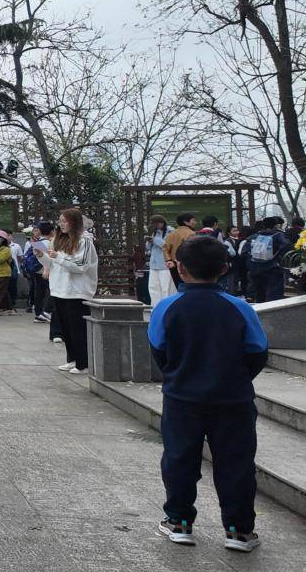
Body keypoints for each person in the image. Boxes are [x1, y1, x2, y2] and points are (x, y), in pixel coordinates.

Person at [149, 235, 267, 553]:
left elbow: (159, 350)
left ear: (180, 268)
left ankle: (179, 522)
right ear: (224, 268)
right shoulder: (240, 308)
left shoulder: (166, 307)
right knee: (236, 463)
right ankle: (239, 531)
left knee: (179, 459)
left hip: (182, 399)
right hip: (233, 399)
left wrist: (179, 375)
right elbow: (257, 352)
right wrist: (236, 378)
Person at [35, 208, 98, 374]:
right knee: (66, 329)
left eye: (65, 221)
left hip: (77, 291)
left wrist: (58, 257)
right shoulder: (60, 240)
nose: (61, 224)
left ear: (74, 222)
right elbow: (52, 265)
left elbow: (81, 266)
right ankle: (72, 359)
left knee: (78, 329)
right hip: (59, 290)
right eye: (60, 221)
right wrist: (41, 256)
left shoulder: (85, 242)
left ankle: (83, 363)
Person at [244, 217, 289, 303]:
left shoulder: (254, 236)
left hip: (257, 269)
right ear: (275, 225)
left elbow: (246, 252)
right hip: (273, 268)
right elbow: (286, 247)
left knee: (260, 295)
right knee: (274, 296)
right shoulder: (279, 235)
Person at [23, 222, 52, 322]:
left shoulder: (36, 242)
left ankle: (38, 314)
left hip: (35, 271)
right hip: (45, 271)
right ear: (51, 231)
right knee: (50, 292)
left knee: (38, 292)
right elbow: (48, 258)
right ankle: (46, 312)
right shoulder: (48, 243)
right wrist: (46, 270)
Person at [146, 215, 174, 305]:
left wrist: (155, 240)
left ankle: (165, 306)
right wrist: (149, 241)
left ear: (161, 223)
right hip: (154, 264)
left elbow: (167, 245)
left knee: (165, 288)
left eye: (156, 224)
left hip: (164, 265)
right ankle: (155, 306)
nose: (155, 226)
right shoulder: (155, 232)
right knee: (153, 288)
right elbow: (148, 248)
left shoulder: (171, 231)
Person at [164, 213, 197, 288]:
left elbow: (165, 248)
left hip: (173, 264)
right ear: (186, 222)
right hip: (186, 264)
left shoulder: (171, 233)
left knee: (178, 286)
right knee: (189, 286)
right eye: (193, 220)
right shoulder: (191, 233)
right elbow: (191, 249)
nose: (195, 222)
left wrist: (169, 260)